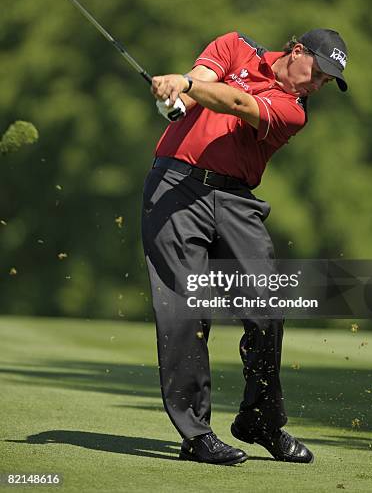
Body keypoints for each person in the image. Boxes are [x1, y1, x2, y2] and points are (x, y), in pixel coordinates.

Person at [141, 28, 348, 465]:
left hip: (235, 202)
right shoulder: (234, 46)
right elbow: (197, 85)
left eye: (325, 83)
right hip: (176, 189)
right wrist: (176, 94)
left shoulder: (293, 110)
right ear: (296, 52)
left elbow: (235, 102)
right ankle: (196, 435)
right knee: (185, 311)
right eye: (317, 73)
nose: (316, 85)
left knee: (266, 308)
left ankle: (260, 421)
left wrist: (187, 85)